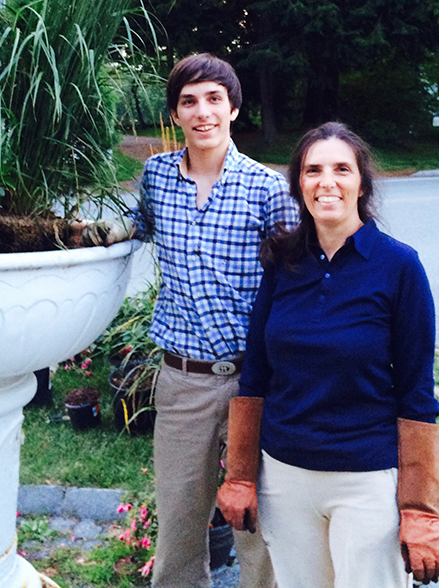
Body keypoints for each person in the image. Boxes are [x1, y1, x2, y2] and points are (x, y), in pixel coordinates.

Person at [218, 121, 439, 588]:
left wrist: (420, 510)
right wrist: (242, 475)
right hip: (285, 477)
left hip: (366, 478)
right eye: (313, 170)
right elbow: (257, 374)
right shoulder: (282, 262)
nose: (327, 182)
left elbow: (417, 391)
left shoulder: (399, 266)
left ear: (361, 183)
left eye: (341, 169)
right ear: (299, 184)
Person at [133, 53, 299, 588]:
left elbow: (293, 281)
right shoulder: (157, 176)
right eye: (189, 101)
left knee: (255, 523)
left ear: (232, 109)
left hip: (253, 383)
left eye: (213, 99)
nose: (202, 112)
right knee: (179, 518)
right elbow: (134, 229)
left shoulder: (266, 188)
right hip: (182, 381)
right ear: (175, 114)